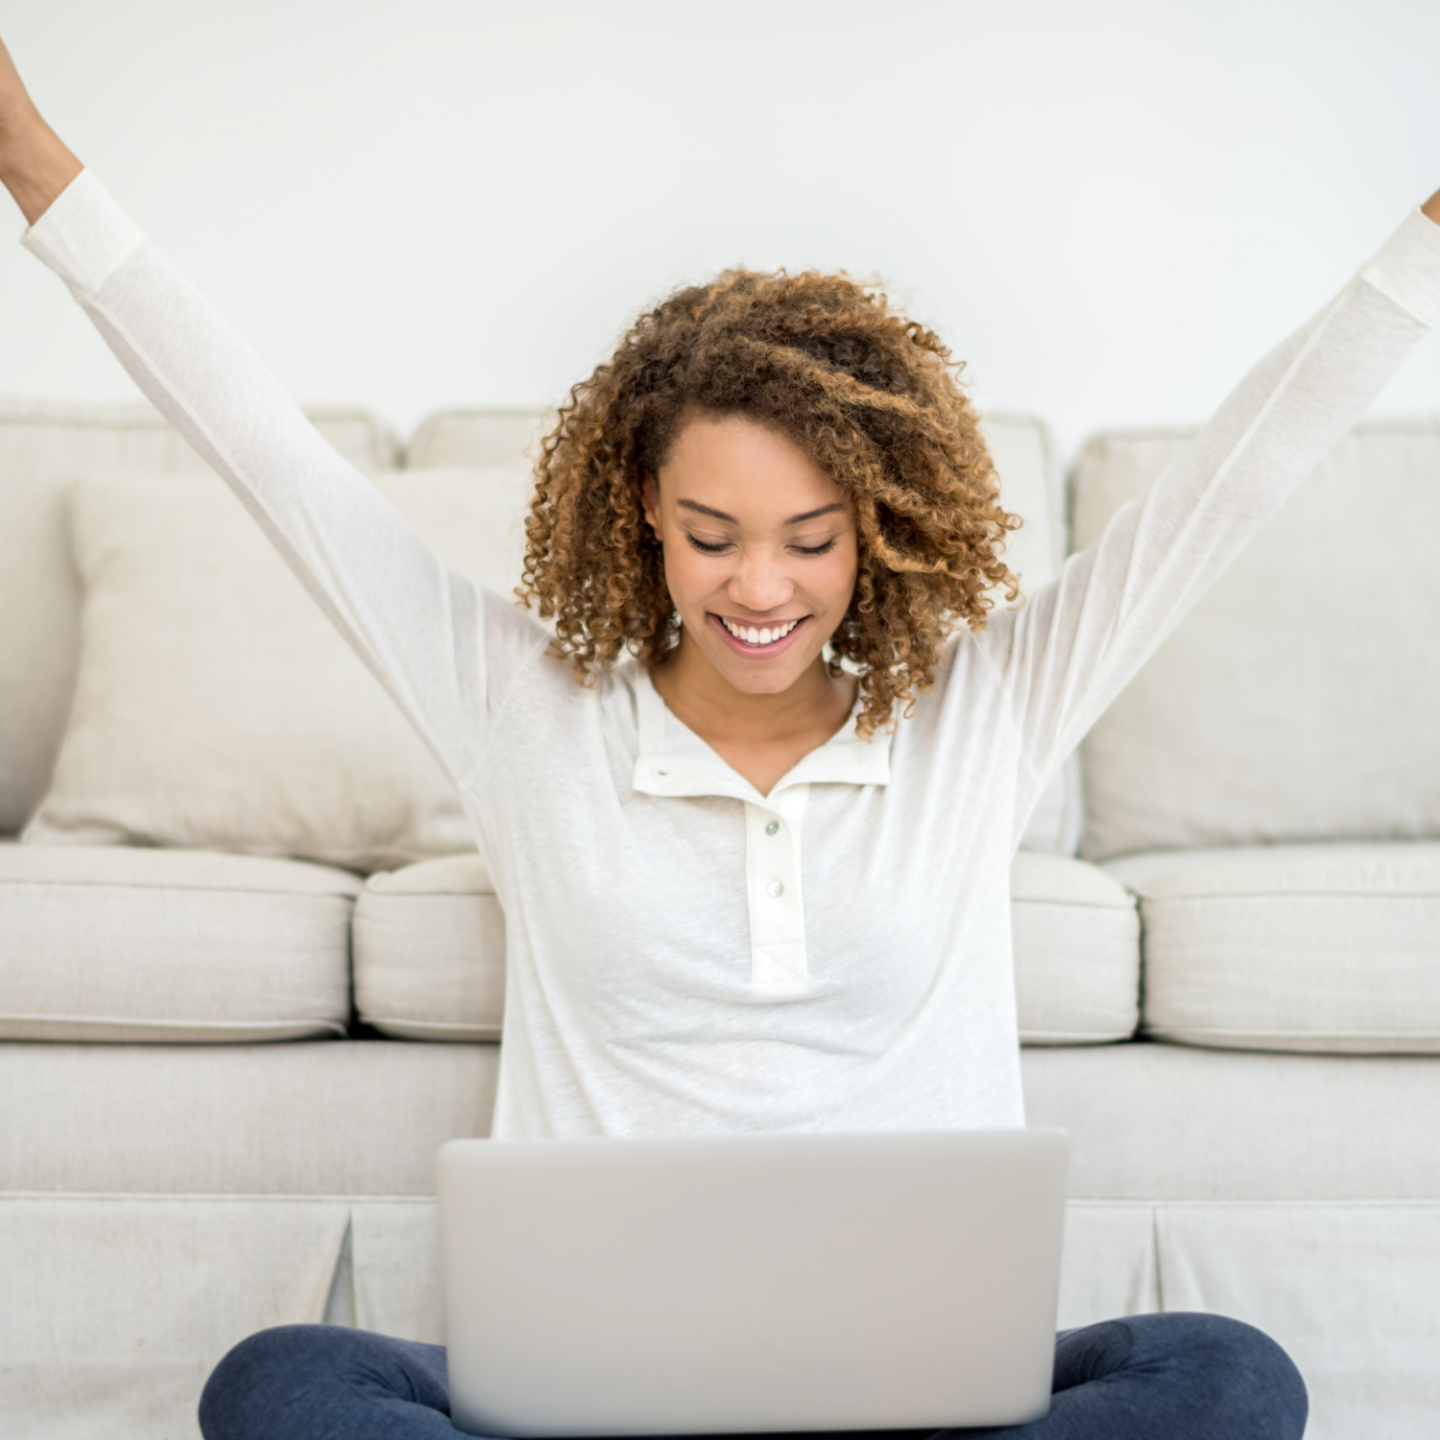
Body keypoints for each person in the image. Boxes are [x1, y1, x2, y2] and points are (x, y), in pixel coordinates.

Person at [4, 32, 1437, 1440]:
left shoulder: (984, 713)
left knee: (1231, 1375)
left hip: (914, 1391)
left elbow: (1234, 480)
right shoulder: (523, 711)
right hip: (590, 1391)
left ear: (876, 526)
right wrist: (29, 159)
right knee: (278, 1383)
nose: (761, 589)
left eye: (812, 541)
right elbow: (267, 454)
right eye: (713, 535)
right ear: (643, 507)